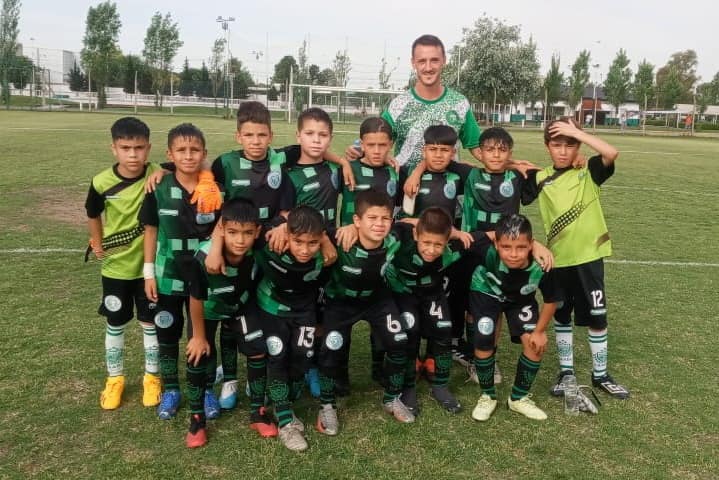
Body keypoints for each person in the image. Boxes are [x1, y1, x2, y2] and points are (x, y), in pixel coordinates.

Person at [537, 118, 629, 400]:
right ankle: (566, 372)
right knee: (562, 315)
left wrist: (578, 132)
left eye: (570, 145)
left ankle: (600, 375)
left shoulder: (589, 171)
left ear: (578, 146)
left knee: (597, 317)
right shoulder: (541, 178)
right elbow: (509, 169)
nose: (564, 151)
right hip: (558, 260)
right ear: (547, 146)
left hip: (589, 259)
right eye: (557, 145)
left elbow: (611, 153)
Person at [139, 123, 222, 420]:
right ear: (170, 154)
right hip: (167, 274)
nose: (188, 156)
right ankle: (172, 389)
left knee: (204, 333)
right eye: (181, 150)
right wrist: (149, 273)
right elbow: (151, 231)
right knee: (167, 332)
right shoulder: (158, 187)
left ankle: (206, 388)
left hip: (204, 275)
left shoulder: (213, 189)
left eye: (195, 150)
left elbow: (222, 228)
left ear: (204, 153)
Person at [316, 189, 414, 436]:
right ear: (357, 220)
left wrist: (456, 231)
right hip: (341, 302)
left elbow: (416, 223)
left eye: (385, 218)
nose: (379, 224)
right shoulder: (340, 237)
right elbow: (307, 225)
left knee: (399, 341)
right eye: (372, 218)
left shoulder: (395, 236)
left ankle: (392, 397)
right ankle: (327, 405)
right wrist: (326, 238)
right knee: (330, 350)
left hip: (377, 300)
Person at [184, 198, 275, 448]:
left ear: (257, 231)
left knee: (257, 349)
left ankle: (258, 412)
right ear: (222, 229)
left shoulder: (258, 248)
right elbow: (195, 298)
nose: (240, 240)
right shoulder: (203, 256)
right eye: (233, 232)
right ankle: (197, 420)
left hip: (240, 306)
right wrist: (198, 337)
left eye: (247, 233)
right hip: (207, 310)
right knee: (197, 355)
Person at [85, 117, 161, 410]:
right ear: (114, 149)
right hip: (116, 268)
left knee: (149, 322)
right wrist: (97, 242)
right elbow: (93, 213)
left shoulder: (156, 172)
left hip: (149, 269)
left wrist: (162, 172)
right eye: (126, 148)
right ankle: (115, 378)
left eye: (139, 148)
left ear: (148, 148)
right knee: (115, 322)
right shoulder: (101, 182)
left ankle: (152, 377)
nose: (133, 155)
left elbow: (185, 168)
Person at [344, 34, 482, 173]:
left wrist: (495, 165)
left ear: (444, 61)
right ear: (413, 63)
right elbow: (376, 137)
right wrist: (356, 149)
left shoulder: (459, 103)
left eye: (434, 60)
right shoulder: (398, 105)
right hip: (405, 182)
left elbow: (478, 148)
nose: (428, 67)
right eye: (422, 61)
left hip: (446, 184)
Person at [468, 214, 559, 421]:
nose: (514, 254)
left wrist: (539, 331)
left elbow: (551, 300)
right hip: (486, 291)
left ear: (531, 245)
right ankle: (487, 395)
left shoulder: (542, 262)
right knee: (484, 339)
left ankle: (518, 398)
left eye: (521, 247)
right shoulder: (485, 249)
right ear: (496, 244)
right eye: (506, 247)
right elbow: (456, 236)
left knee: (535, 345)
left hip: (520, 299)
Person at [385, 207, 474, 415]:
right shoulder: (401, 238)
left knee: (443, 329)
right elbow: (390, 228)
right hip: (404, 292)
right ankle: (408, 388)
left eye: (438, 244)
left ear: (447, 240)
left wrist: (457, 233)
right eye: (426, 242)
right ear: (416, 235)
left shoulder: (457, 244)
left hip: (432, 293)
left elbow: (491, 237)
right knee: (410, 331)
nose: (431, 250)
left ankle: (440, 386)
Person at [257, 206, 329, 452]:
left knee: (303, 354)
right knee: (277, 356)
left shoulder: (327, 252)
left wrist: (327, 242)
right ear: (287, 235)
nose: (305, 250)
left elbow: (349, 232)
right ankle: (285, 420)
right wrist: (279, 226)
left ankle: (283, 394)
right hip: (272, 308)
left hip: (304, 311)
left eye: (312, 243)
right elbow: (238, 226)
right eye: (298, 242)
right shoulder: (271, 243)